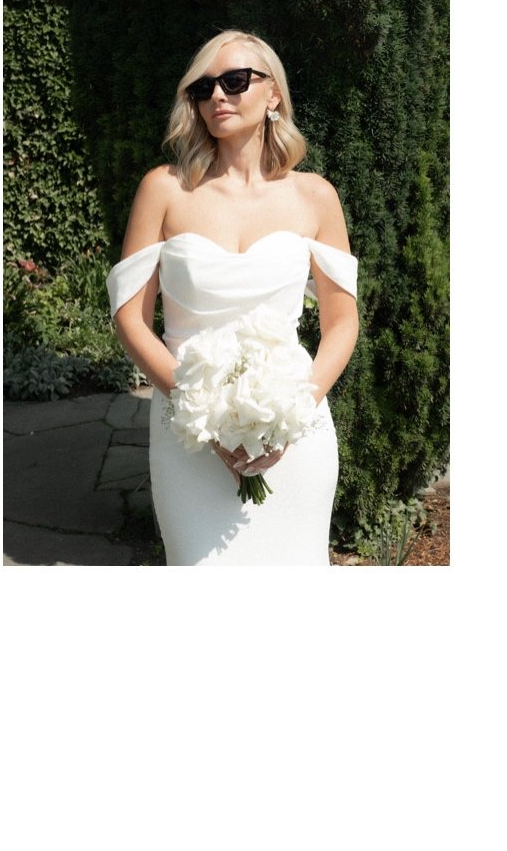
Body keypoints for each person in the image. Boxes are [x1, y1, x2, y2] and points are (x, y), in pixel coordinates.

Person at [107, 30, 358, 565]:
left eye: (235, 81)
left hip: (294, 430)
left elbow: (342, 323)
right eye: (203, 88)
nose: (217, 96)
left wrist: (292, 414)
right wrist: (201, 410)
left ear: (273, 95)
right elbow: (130, 318)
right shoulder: (164, 190)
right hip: (187, 430)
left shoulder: (315, 196)